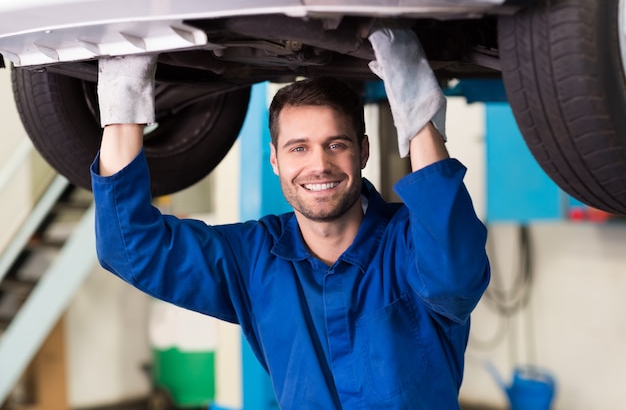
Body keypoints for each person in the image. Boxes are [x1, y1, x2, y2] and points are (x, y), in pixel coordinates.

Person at [92, 25, 490, 410]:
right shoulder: (253, 261)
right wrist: (124, 91)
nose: (319, 164)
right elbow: (130, 248)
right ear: (274, 160)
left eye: (335, 144)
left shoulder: (410, 244)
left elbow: (457, 275)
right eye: (298, 148)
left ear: (363, 152)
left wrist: (414, 96)